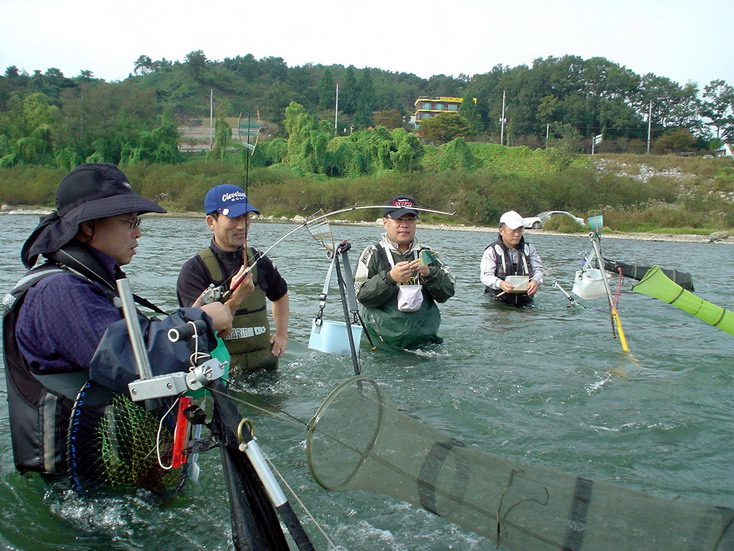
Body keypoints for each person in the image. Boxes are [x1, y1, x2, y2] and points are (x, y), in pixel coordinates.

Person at [3, 163, 251, 477]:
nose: (138, 231)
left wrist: (193, 315)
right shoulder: (60, 291)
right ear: (87, 226)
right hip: (86, 487)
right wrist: (200, 321)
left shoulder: (89, 282)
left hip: (116, 472)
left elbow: (135, 338)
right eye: (128, 221)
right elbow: (133, 362)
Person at [177, 184, 289, 373]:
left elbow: (280, 294)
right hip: (223, 377)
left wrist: (282, 335)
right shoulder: (194, 270)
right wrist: (236, 298)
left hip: (266, 369)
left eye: (245, 217)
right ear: (211, 222)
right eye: (233, 218)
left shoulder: (260, 261)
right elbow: (197, 330)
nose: (241, 225)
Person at [354, 196, 455, 349]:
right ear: (385, 222)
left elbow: (447, 292)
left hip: (426, 343)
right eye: (398, 219)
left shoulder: (427, 254)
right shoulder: (372, 253)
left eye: (410, 219)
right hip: (381, 344)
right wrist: (389, 278)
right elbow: (362, 296)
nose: (404, 225)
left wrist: (430, 274)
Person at [480, 210, 544, 306]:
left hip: (525, 301)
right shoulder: (491, 250)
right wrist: (500, 283)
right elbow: (485, 275)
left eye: (520, 230)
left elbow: (538, 270)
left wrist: (536, 281)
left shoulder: (529, 249)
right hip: (498, 301)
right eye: (513, 230)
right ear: (501, 231)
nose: (517, 234)